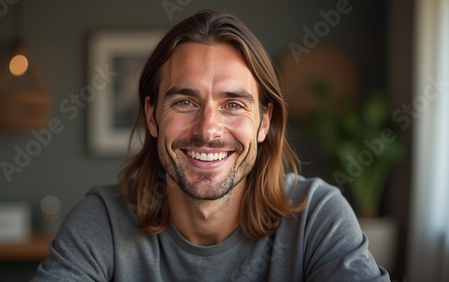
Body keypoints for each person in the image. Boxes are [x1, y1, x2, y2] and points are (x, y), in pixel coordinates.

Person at [32, 10, 390, 281]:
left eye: (233, 104)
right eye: (185, 102)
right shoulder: (103, 223)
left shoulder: (316, 217)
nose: (208, 129)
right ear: (152, 116)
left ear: (264, 121)